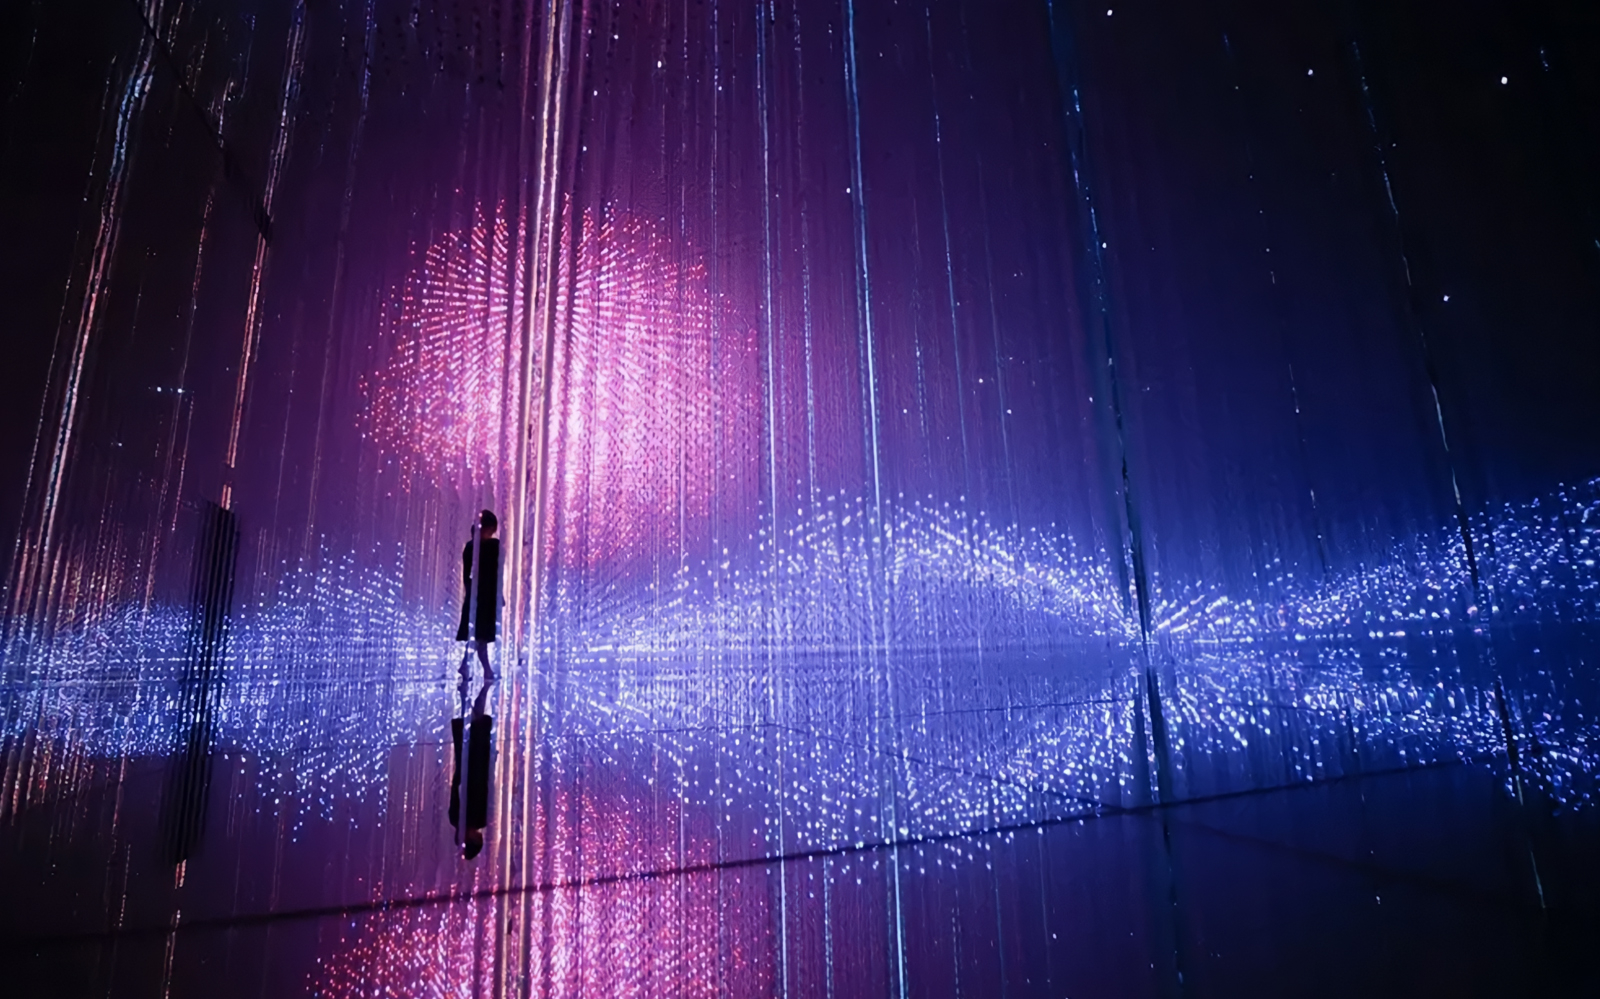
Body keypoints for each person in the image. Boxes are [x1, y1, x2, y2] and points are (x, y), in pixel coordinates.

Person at [448, 679, 494, 860]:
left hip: (477, 766)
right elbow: (456, 788)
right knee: (472, 724)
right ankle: (469, 691)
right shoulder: (457, 818)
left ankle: (477, 688)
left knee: (476, 723)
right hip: (468, 766)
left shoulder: (477, 819)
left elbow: (485, 789)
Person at [456, 509, 500, 681]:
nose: (491, 534)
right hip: (484, 598)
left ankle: (472, 667)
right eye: (490, 531)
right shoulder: (490, 547)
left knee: (478, 636)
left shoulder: (473, 547)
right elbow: (492, 575)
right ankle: (482, 670)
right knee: (479, 637)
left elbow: (469, 576)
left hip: (479, 597)